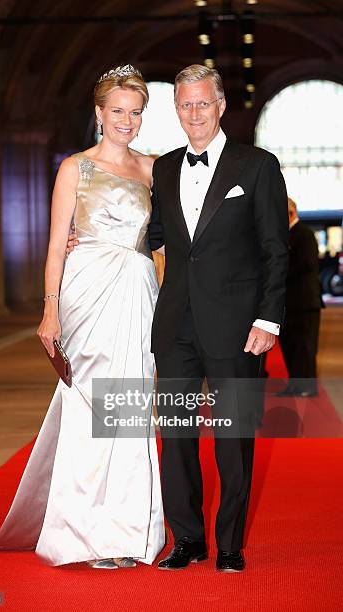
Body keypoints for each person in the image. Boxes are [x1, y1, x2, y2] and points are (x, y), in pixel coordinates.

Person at [0, 64, 165, 569]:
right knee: (92, 404)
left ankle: (128, 530)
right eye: (117, 111)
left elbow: (166, 239)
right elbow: (55, 246)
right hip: (86, 291)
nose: (126, 121)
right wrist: (49, 310)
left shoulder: (154, 167)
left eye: (135, 112)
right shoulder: (75, 167)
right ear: (98, 113)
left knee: (131, 407)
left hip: (138, 290)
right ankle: (84, 532)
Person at [148, 65, 289, 572]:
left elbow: (277, 250)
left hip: (236, 327)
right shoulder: (164, 168)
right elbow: (154, 237)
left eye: (203, 103)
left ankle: (229, 544)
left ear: (222, 105)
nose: (194, 113)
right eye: (185, 104)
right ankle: (187, 539)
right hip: (175, 327)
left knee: (233, 440)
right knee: (177, 438)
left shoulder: (257, 166)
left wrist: (268, 320)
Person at [277, 197, 323, 397]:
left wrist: (277, 273)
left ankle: (306, 387)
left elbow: (305, 265)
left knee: (304, 347)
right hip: (291, 304)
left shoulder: (304, 234)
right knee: (291, 346)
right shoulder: (288, 235)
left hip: (304, 303)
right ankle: (295, 385)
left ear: (291, 213)